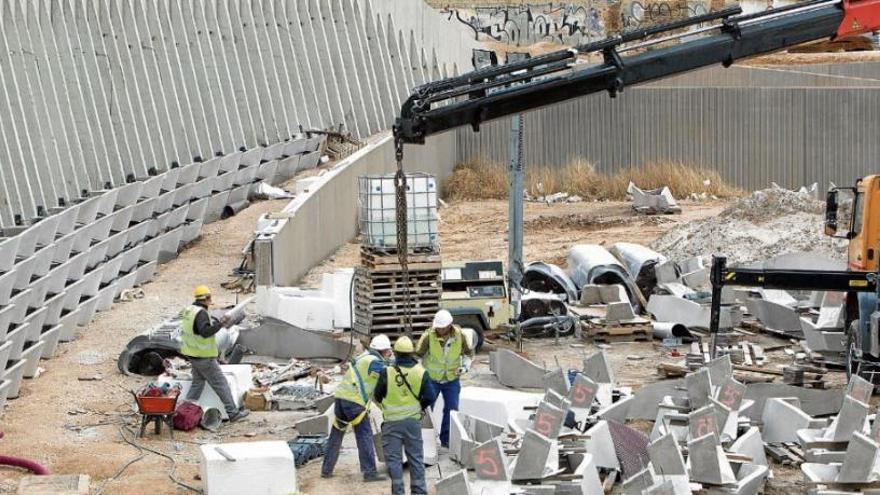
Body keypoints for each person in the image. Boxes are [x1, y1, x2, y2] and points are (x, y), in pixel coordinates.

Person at [321, 335, 393, 482]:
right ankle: (370, 473)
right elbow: (388, 378)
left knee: (336, 435)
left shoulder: (363, 357)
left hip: (340, 399)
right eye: (388, 352)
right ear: (384, 351)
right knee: (364, 436)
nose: (389, 355)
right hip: (354, 403)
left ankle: (326, 470)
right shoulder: (376, 362)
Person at [375, 336, 437, 495]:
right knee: (416, 458)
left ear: (395, 352)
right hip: (413, 423)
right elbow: (430, 396)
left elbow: (377, 395)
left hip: (391, 423)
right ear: (411, 353)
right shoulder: (421, 372)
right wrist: (419, 407)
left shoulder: (387, 372)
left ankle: (398, 492)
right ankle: (419, 491)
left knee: (394, 460)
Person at [180, 285, 249, 422]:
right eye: (209, 297)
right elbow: (205, 332)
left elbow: (193, 331)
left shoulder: (189, 311)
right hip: (203, 357)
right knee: (221, 384)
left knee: (197, 383)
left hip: (192, 355)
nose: (211, 300)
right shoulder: (201, 313)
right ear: (206, 299)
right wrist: (221, 325)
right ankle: (233, 413)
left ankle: (184, 412)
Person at [416, 309, 473, 448]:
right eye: (438, 327)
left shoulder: (460, 336)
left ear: (449, 326)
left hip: (451, 380)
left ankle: (446, 439)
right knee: (426, 410)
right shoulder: (428, 336)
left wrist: (464, 368)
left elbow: (468, 354)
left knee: (452, 410)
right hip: (432, 380)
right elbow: (418, 356)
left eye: (442, 327)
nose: (439, 330)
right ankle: (423, 439)